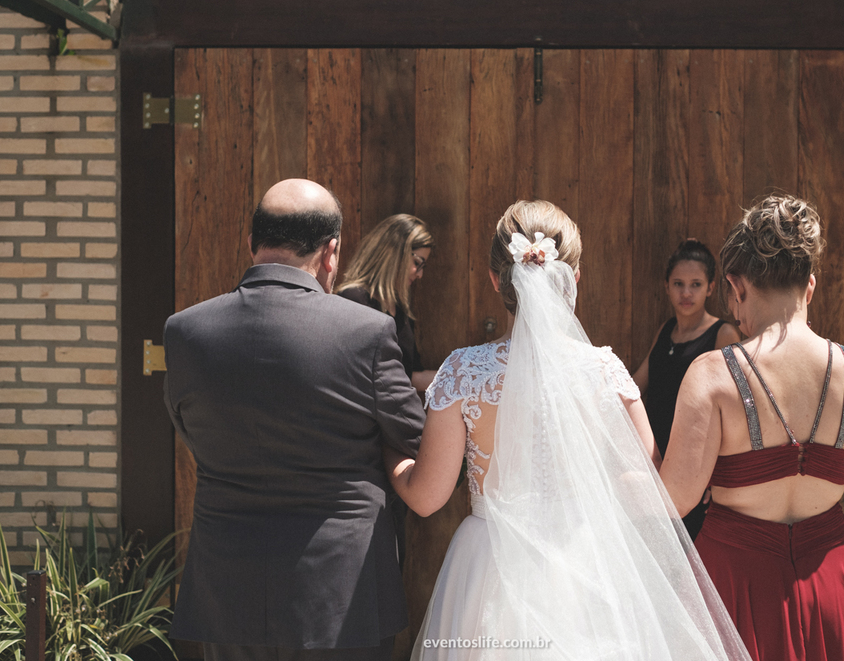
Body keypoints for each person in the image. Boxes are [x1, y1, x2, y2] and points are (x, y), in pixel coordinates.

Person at [385, 200, 751, 661]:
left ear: (497, 279)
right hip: (585, 560)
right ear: (573, 278)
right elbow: (650, 487)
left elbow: (426, 497)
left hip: (489, 560)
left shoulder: (463, 372)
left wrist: (391, 455)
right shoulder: (604, 371)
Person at [163, 179, 426, 661]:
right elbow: (415, 439)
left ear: (251, 244)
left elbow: (189, 429)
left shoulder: (184, 332)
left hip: (228, 587)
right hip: (341, 591)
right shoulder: (367, 332)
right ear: (331, 252)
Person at [659, 195, 844, 661]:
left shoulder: (712, 374)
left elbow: (676, 499)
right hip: (836, 584)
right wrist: (842, 573)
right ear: (810, 286)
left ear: (735, 285)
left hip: (733, 585)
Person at [632, 240, 741, 537]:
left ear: (710, 288)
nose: (686, 293)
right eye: (678, 284)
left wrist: (718, 472)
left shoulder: (723, 334)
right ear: (666, 286)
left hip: (695, 467)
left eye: (696, 284)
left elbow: (738, 411)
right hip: (653, 460)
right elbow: (637, 385)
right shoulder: (666, 330)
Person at [337, 213, 436, 392]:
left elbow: (411, 376)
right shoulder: (353, 300)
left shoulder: (400, 310)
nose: (420, 274)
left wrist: (465, 376)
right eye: (417, 262)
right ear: (395, 252)